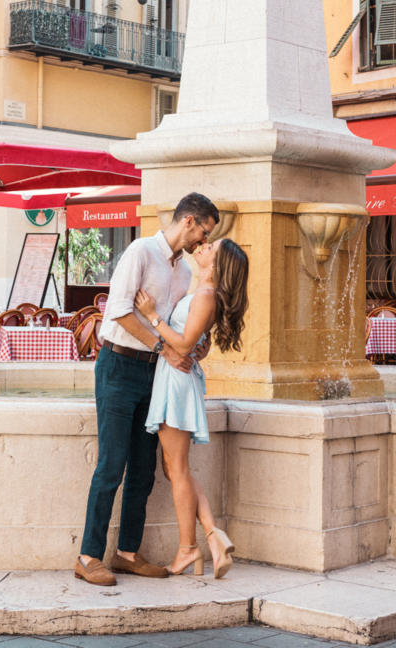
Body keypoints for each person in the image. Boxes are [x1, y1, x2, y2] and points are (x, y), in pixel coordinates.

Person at [75, 192, 219, 586]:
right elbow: (119, 309)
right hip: (119, 365)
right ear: (189, 220)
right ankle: (88, 556)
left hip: (154, 373)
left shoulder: (186, 274)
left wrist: (194, 345)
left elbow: (174, 327)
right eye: (203, 232)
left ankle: (126, 553)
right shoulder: (140, 251)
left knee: (142, 468)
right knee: (112, 464)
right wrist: (164, 348)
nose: (202, 243)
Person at [135, 238, 248, 578]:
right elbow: (194, 339)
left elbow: (182, 343)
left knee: (177, 468)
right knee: (174, 468)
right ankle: (211, 537)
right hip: (178, 378)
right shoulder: (203, 294)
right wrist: (202, 345)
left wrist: (152, 316)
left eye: (211, 246)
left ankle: (190, 548)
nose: (203, 244)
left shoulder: (205, 295)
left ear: (217, 263)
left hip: (177, 380)